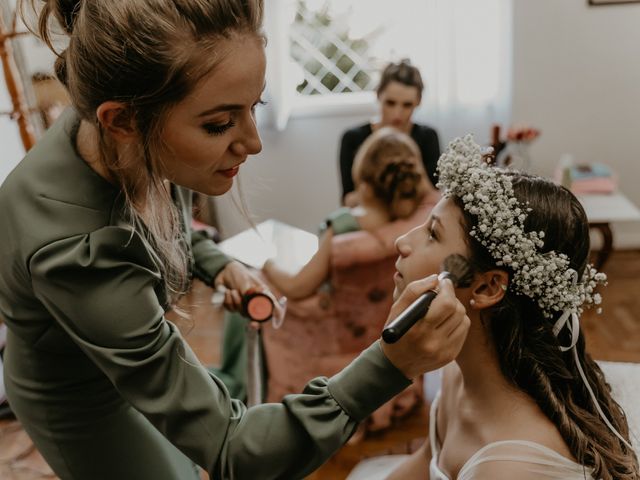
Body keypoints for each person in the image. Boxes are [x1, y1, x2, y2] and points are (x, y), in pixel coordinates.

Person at [0, 1, 471, 479]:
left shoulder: (131, 123)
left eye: (256, 105)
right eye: (220, 124)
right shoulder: (76, 251)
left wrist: (217, 264)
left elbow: (162, 223)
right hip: (81, 394)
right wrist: (390, 363)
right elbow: (233, 448)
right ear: (121, 122)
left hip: (132, 356)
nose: (253, 141)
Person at [384, 136, 639, 479]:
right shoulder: (456, 373)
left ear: (488, 286)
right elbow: (424, 463)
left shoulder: (508, 469)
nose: (402, 242)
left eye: (433, 234)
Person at [263, 127, 434, 299]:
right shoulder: (422, 225)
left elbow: (296, 287)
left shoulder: (343, 226)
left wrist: (268, 265)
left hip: (327, 321)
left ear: (365, 187)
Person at [339, 59, 440, 206]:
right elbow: (348, 200)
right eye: (390, 103)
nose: (397, 114)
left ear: (418, 101)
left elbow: (433, 197)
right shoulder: (353, 138)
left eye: (407, 105)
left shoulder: (427, 137)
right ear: (378, 95)